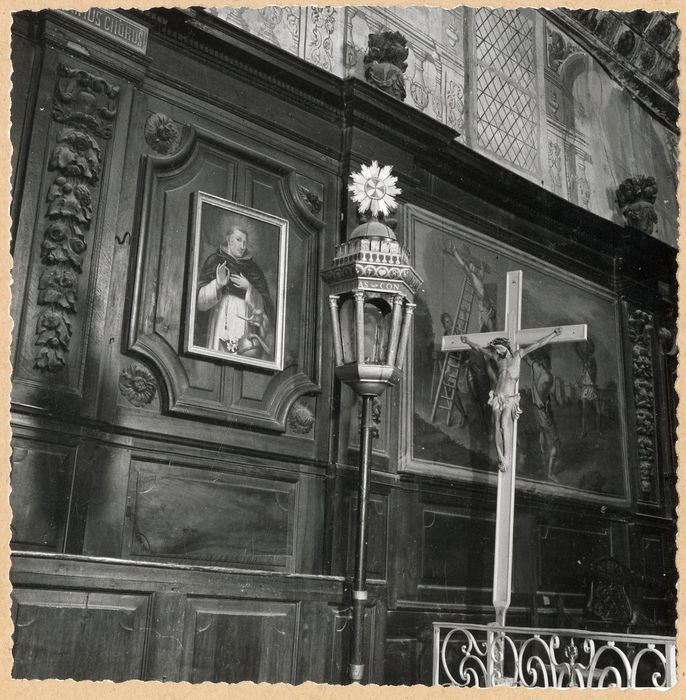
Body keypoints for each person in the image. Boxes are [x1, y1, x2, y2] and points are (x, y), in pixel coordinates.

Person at [460, 328, 561, 472]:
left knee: (504, 423)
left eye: (500, 349)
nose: (498, 352)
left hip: (510, 398)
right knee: (496, 426)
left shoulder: (518, 355)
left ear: (506, 346)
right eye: (497, 350)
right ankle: (501, 457)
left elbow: (538, 344)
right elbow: (480, 349)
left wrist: (553, 334)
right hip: (497, 396)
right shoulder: (498, 359)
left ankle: (507, 457)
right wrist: (467, 341)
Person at [197, 225, 274, 359]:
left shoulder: (253, 270)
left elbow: (266, 306)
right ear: (228, 239)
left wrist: (249, 288)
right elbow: (199, 302)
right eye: (238, 240)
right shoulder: (214, 261)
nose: (243, 246)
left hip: (245, 328)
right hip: (221, 321)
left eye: (245, 242)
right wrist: (217, 285)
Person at [526, 347, 561, 480]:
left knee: (542, 434)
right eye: (548, 359)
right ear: (545, 360)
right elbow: (546, 395)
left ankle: (543, 462)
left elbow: (527, 358)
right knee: (556, 443)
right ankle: (550, 473)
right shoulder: (548, 376)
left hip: (536, 409)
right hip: (544, 411)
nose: (550, 362)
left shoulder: (535, 366)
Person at [576, 339, 601, 436]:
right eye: (586, 347)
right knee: (584, 413)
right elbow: (579, 353)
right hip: (586, 389)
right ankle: (583, 432)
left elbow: (593, 373)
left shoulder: (592, 361)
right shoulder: (585, 360)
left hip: (592, 389)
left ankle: (598, 430)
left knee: (598, 412)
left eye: (588, 347)